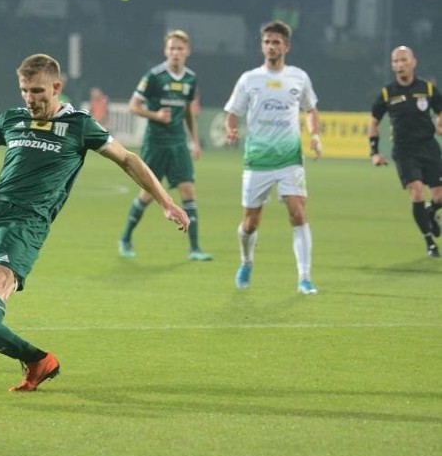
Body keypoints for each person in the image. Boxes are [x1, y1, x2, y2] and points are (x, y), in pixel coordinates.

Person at [0, 53, 190, 390]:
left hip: (27, 222)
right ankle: (38, 360)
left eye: (38, 91)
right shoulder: (13, 119)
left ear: (57, 87)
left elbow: (128, 159)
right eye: (25, 90)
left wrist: (166, 201)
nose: (30, 98)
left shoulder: (79, 124)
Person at [223, 20, 322, 295]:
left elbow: (311, 109)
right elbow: (233, 112)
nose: (271, 46)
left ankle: (304, 278)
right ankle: (246, 262)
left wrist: (314, 135)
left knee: (298, 214)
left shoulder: (298, 77)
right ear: (262, 46)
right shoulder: (249, 79)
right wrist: (230, 129)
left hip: (289, 159)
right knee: (250, 222)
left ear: (286, 46)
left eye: (276, 42)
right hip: (257, 160)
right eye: (267, 41)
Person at [118, 29, 211, 261]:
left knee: (188, 190)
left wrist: (195, 142)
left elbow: (189, 112)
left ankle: (195, 248)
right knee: (148, 195)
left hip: (178, 144)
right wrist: (156, 116)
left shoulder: (190, 78)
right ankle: (125, 238)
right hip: (156, 143)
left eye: (180, 48)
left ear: (187, 51)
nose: (175, 53)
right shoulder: (154, 76)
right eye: (171, 48)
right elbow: (133, 106)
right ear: (165, 51)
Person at [368, 46, 442, 258]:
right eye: (396, 61)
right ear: (392, 65)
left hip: (428, 146)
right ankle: (429, 242)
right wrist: (374, 152)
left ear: (413, 62)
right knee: (417, 192)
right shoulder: (386, 93)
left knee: (439, 196)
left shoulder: (427, 89)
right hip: (404, 150)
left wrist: (440, 123)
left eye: (404, 60)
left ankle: (430, 211)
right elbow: (374, 121)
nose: (400, 65)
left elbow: (440, 109)